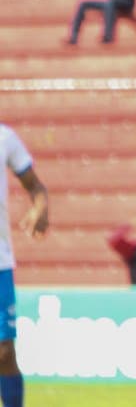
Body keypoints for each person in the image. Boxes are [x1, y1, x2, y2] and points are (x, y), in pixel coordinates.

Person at [0, 124, 49, 407]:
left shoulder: (5, 138)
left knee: (4, 352)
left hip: (0, 263)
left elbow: (36, 186)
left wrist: (40, 208)